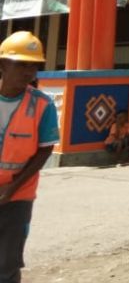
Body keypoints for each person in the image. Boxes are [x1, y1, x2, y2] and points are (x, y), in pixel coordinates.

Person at [0, 31, 59, 283]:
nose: (28, 72)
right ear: (3, 64)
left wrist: (11, 188)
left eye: (33, 66)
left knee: (7, 264)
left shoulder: (42, 105)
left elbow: (45, 149)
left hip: (17, 196)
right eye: (21, 64)